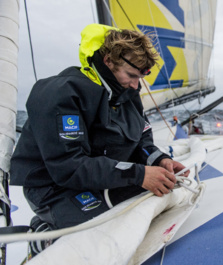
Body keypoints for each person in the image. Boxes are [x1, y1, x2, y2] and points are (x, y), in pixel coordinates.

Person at [10, 24, 189, 238]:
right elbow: (69, 166)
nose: (135, 85)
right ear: (108, 61)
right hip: (53, 188)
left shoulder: (126, 94)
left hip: (105, 178)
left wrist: (159, 160)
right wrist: (138, 174)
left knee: (157, 203)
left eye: (139, 77)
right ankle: (42, 236)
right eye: (131, 75)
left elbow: (142, 141)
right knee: (102, 233)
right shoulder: (62, 94)